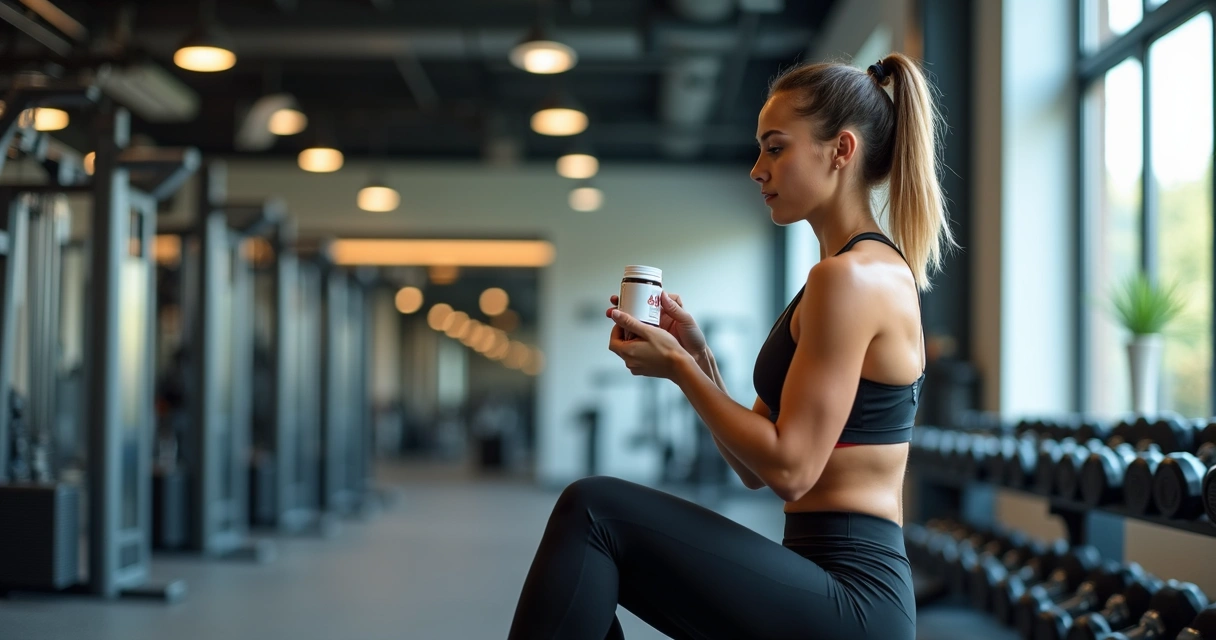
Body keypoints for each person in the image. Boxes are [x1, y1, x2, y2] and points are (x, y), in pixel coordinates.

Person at [507, 53, 954, 640]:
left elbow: (791, 470)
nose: (756, 169)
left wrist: (678, 372)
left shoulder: (849, 280)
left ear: (840, 150)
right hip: (816, 570)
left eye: (775, 148)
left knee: (592, 512)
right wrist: (699, 363)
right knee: (592, 542)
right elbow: (754, 468)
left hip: (854, 595)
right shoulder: (836, 276)